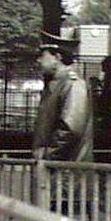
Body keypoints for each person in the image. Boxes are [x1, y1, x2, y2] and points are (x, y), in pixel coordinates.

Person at [31, 31, 93, 161]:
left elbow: (71, 129)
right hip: (57, 169)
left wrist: (47, 154)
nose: (38, 60)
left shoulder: (72, 85)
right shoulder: (58, 84)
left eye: (42, 55)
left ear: (57, 57)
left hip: (67, 172)